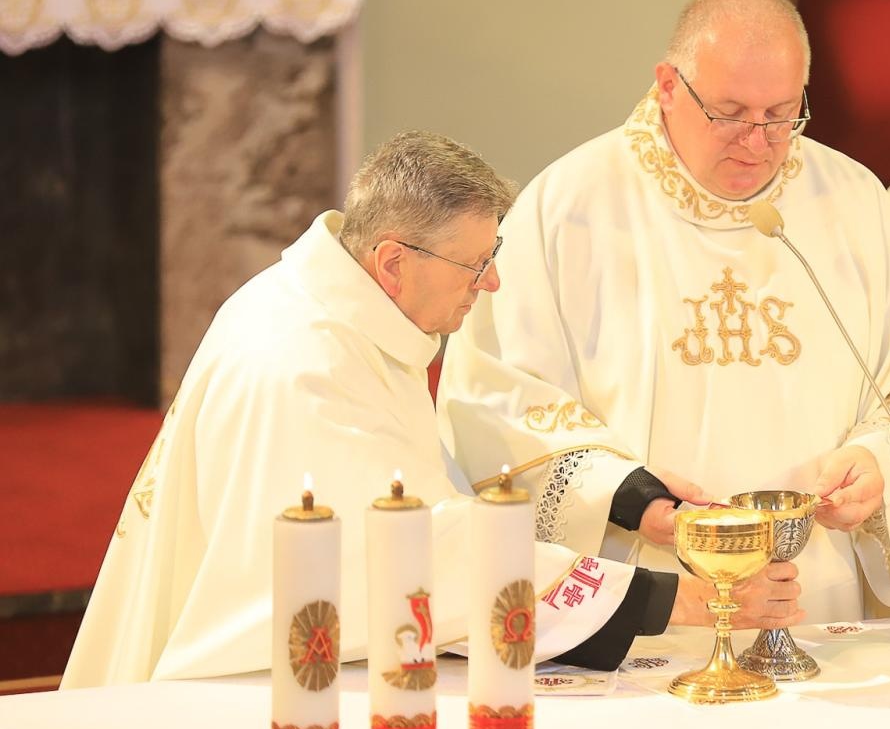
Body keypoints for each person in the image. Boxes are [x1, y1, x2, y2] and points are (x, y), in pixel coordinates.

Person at [63, 132, 696, 688]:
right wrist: (660, 600)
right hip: (247, 695)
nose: (491, 283)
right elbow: (407, 553)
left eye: (493, 256)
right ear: (393, 262)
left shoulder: (339, 315)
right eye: (476, 265)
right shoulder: (304, 364)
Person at [437, 0, 890, 622]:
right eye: (729, 114)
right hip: (647, 606)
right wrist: (628, 498)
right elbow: (497, 400)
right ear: (669, 86)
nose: (757, 142)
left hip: (819, 600)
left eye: (781, 115)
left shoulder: (854, 203)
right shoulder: (568, 208)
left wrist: (878, 462)